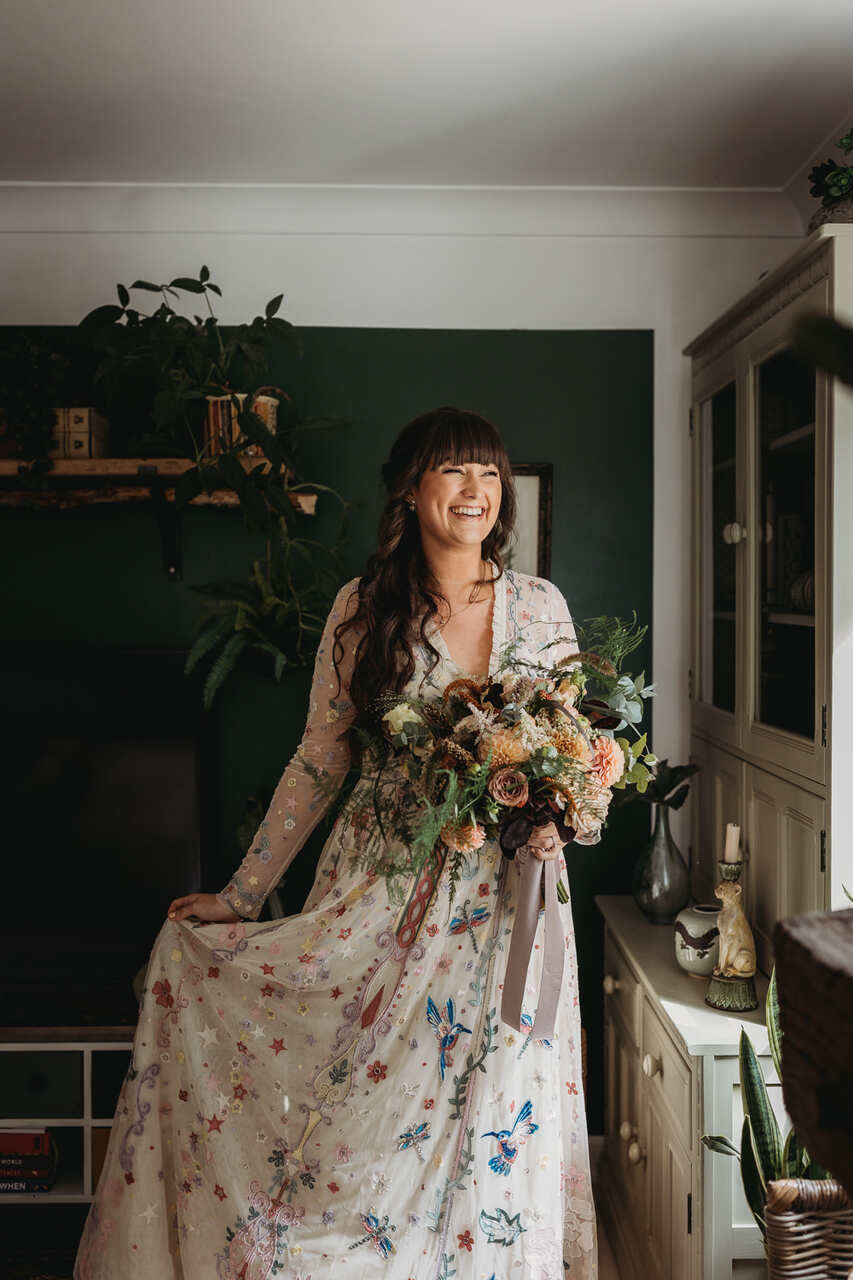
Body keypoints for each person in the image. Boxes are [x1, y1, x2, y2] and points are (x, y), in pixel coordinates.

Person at [74, 405, 599, 1279]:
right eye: (452, 471)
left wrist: (557, 817)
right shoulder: (363, 612)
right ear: (410, 488)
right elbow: (319, 759)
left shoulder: (539, 607)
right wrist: (240, 897)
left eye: (487, 474)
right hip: (382, 886)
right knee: (367, 1106)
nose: (474, 491)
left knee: (497, 1096)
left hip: (508, 898)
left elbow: (577, 753)